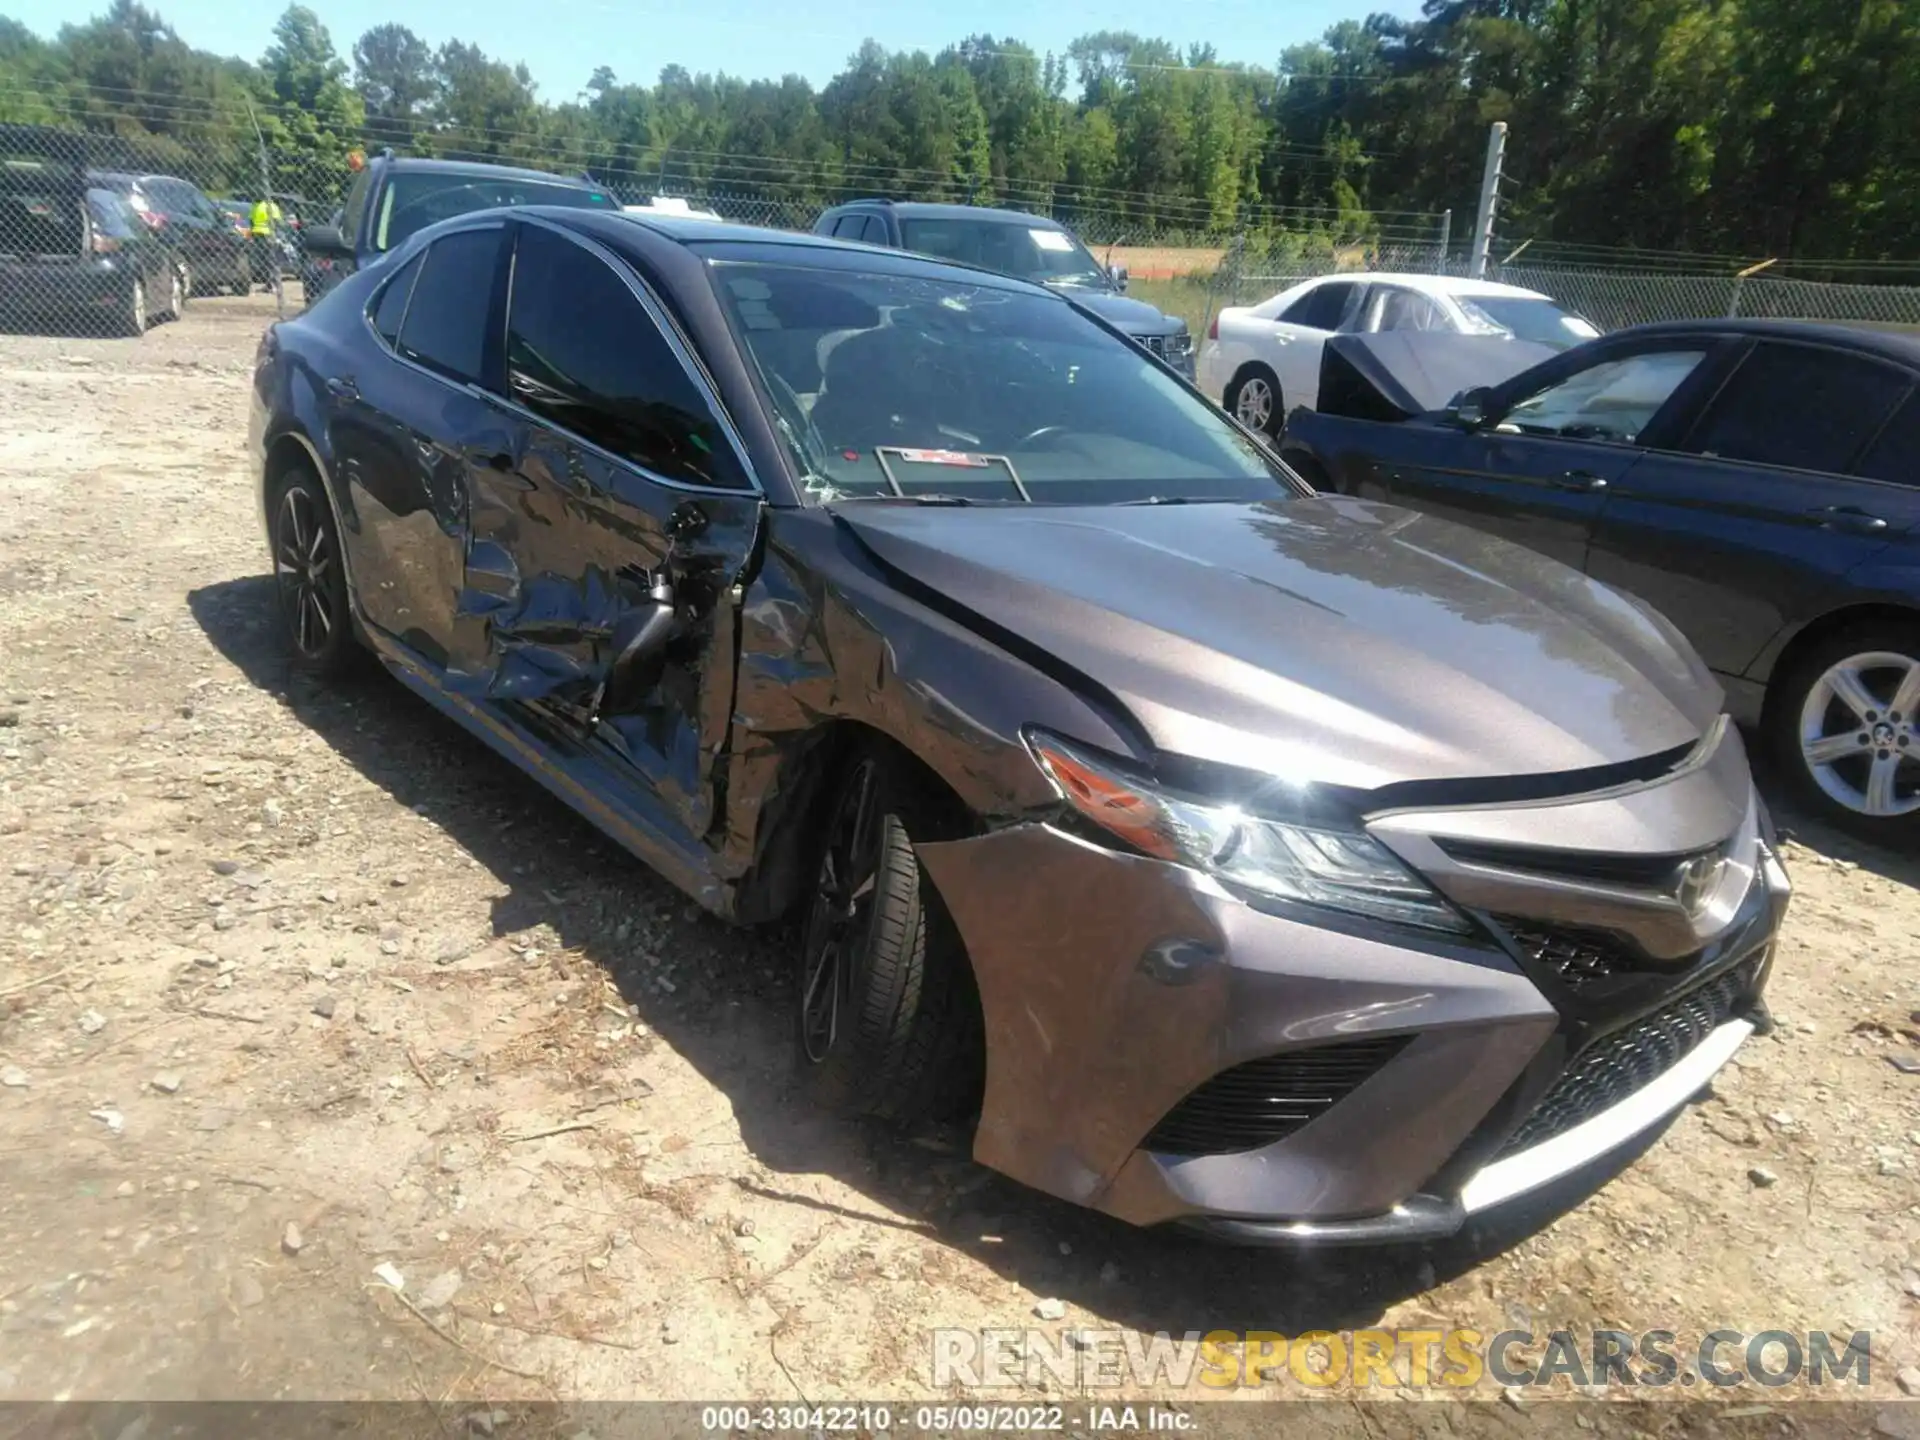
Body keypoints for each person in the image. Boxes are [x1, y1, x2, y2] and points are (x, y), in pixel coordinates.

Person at [248, 195, 284, 289]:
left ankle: (268, 283)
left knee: (263, 260)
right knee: (273, 260)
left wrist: (252, 235)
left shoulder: (256, 206)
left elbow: (251, 221)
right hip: (269, 234)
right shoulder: (273, 206)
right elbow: (277, 222)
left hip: (257, 235)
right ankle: (274, 284)